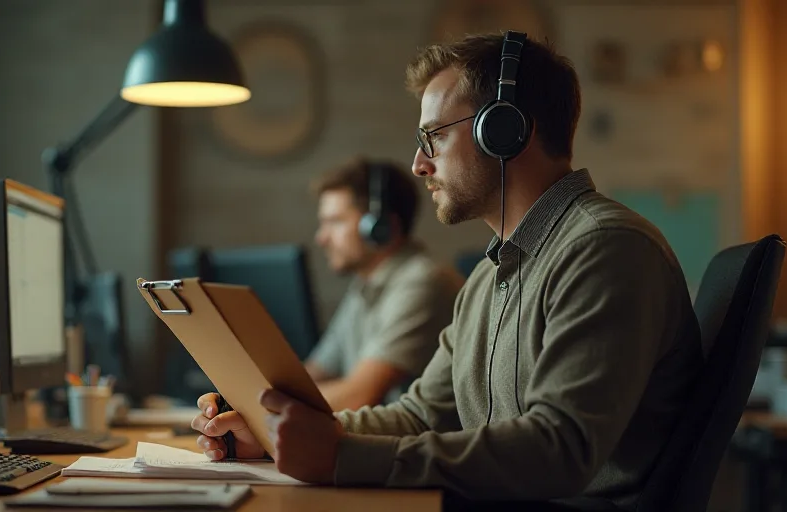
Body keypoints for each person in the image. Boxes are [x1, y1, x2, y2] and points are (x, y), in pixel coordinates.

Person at [190, 31, 703, 507]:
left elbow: (559, 450)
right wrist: (274, 433)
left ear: (504, 130)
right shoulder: (488, 278)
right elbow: (416, 417)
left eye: (434, 135)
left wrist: (341, 455)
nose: (418, 163)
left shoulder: (605, 249)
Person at [304, 157, 463, 411]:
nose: (321, 238)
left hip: (418, 447)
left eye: (335, 222)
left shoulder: (423, 282)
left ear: (380, 227)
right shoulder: (365, 284)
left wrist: (267, 407)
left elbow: (356, 397)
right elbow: (312, 375)